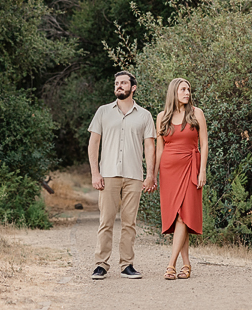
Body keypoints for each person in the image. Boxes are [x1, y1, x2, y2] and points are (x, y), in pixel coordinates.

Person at [87, 71, 157, 280]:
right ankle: (101, 264)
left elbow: (150, 147)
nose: (119, 86)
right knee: (106, 221)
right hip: (108, 174)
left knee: (129, 223)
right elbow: (93, 143)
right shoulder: (102, 112)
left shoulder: (144, 115)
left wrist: (150, 175)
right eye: (116, 83)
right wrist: (95, 173)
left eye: (123, 83)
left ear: (133, 87)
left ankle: (127, 265)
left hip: (134, 175)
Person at [156, 78, 208, 280]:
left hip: (191, 167)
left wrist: (202, 170)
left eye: (189, 89)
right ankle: (186, 265)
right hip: (168, 171)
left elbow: (204, 143)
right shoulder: (162, 117)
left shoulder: (197, 113)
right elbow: (159, 148)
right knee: (180, 217)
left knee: (183, 215)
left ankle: (171, 264)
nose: (187, 92)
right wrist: (152, 175)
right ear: (173, 92)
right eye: (183, 89)